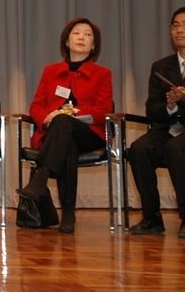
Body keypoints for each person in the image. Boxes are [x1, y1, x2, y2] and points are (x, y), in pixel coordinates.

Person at [16, 17, 113, 234]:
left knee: (64, 123)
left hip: (89, 133)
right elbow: (36, 106)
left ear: (93, 45)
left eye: (88, 35)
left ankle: (41, 176)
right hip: (56, 134)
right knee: (67, 143)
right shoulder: (50, 71)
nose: (81, 37)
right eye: (76, 33)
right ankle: (68, 213)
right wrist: (47, 118)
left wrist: (70, 113)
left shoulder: (102, 74)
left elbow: (103, 110)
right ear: (67, 41)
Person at [127, 6, 185, 238]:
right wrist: (170, 105)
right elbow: (152, 109)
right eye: (175, 25)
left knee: (176, 148)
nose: (180, 30)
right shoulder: (161, 67)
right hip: (168, 128)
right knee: (139, 149)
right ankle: (151, 219)